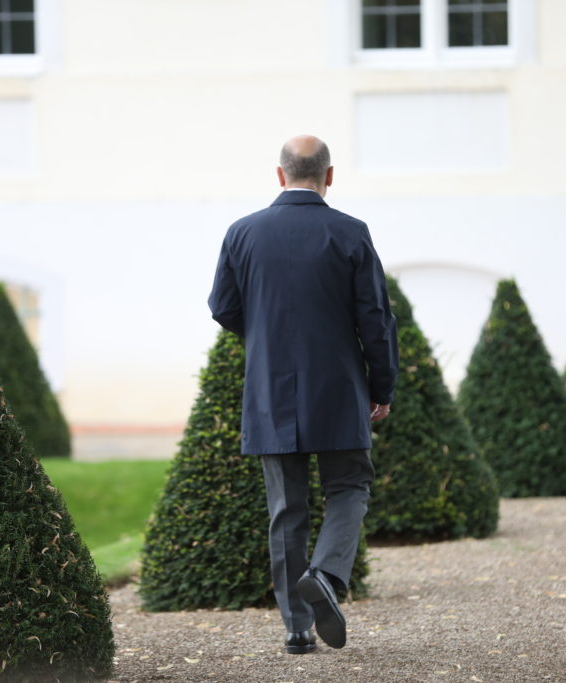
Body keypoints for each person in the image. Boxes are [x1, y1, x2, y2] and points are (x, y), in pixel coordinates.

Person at [208, 135, 398, 654]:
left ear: (280, 174)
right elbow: (375, 320)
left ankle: (296, 628)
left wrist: (266, 336)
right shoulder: (350, 233)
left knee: (286, 510)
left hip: (271, 389)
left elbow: (223, 306)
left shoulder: (242, 233)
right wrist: (382, 386)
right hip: (339, 388)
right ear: (329, 176)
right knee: (350, 487)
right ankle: (327, 576)